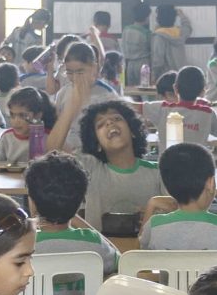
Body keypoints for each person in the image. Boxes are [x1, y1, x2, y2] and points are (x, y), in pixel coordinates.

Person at [26, 153, 119, 295]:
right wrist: (77, 217)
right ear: (80, 201)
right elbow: (120, 260)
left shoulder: (20, 245)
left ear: (32, 200)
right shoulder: (93, 243)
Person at [67, 97, 159, 236]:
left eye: (117, 119)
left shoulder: (157, 172)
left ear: (133, 131)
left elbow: (176, 211)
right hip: (102, 255)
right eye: (100, 125)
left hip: (146, 255)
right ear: (96, 143)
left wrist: (155, 215)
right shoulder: (91, 168)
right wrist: (74, 100)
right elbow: (53, 150)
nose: (109, 122)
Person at [140, 144, 217, 250]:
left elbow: (137, 255)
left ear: (167, 187)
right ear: (210, 183)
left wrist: (151, 205)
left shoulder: (155, 226)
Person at [159, 66, 217, 151]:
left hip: (168, 163)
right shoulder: (208, 113)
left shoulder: (162, 109)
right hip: (197, 163)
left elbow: (143, 108)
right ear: (203, 92)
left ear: (175, 88)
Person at [0, 84, 54, 167]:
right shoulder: (7, 137)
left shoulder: (49, 137)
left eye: (22, 115)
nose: (16, 121)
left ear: (38, 115)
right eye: (12, 115)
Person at [149, 4, 189, 81]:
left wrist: (154, 75)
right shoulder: (180, 32)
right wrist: (182, 15)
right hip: (181, 75)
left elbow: (158, 60)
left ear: (158, 19)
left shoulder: (158, 36)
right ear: (174, 18)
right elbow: (187, 27)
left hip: (165, 77)